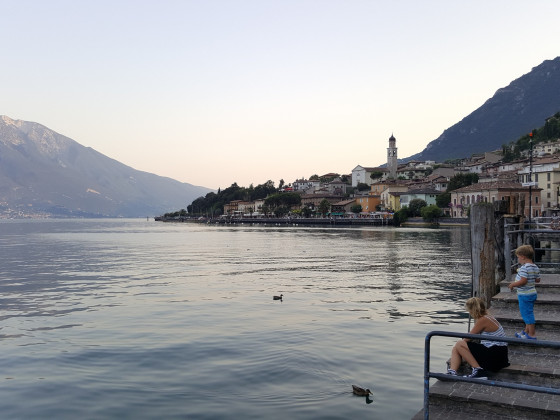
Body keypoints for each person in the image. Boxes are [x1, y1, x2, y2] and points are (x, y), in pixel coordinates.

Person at [447, 297, 509, 379]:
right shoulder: (488, 317)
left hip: (495, 357)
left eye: (469, 310)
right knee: (456, 347)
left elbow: (467, 339)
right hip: (500, 356)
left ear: (473, 310)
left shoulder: (483, 320)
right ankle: (452, 372)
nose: (469, 313)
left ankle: (479, 371)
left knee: (459, 344)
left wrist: (464, 342)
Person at [508, 244, 540, 339]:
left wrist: (513, 284)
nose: (518, 259)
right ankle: (526, 331)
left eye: (518, 257)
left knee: (527, 314)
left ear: (523, 257)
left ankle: (532, 335)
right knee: (528, 312)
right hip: (532, 293)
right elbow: (538, 280)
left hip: (525, 295)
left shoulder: (524, 268)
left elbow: (523, 281)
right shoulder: (535, 267)